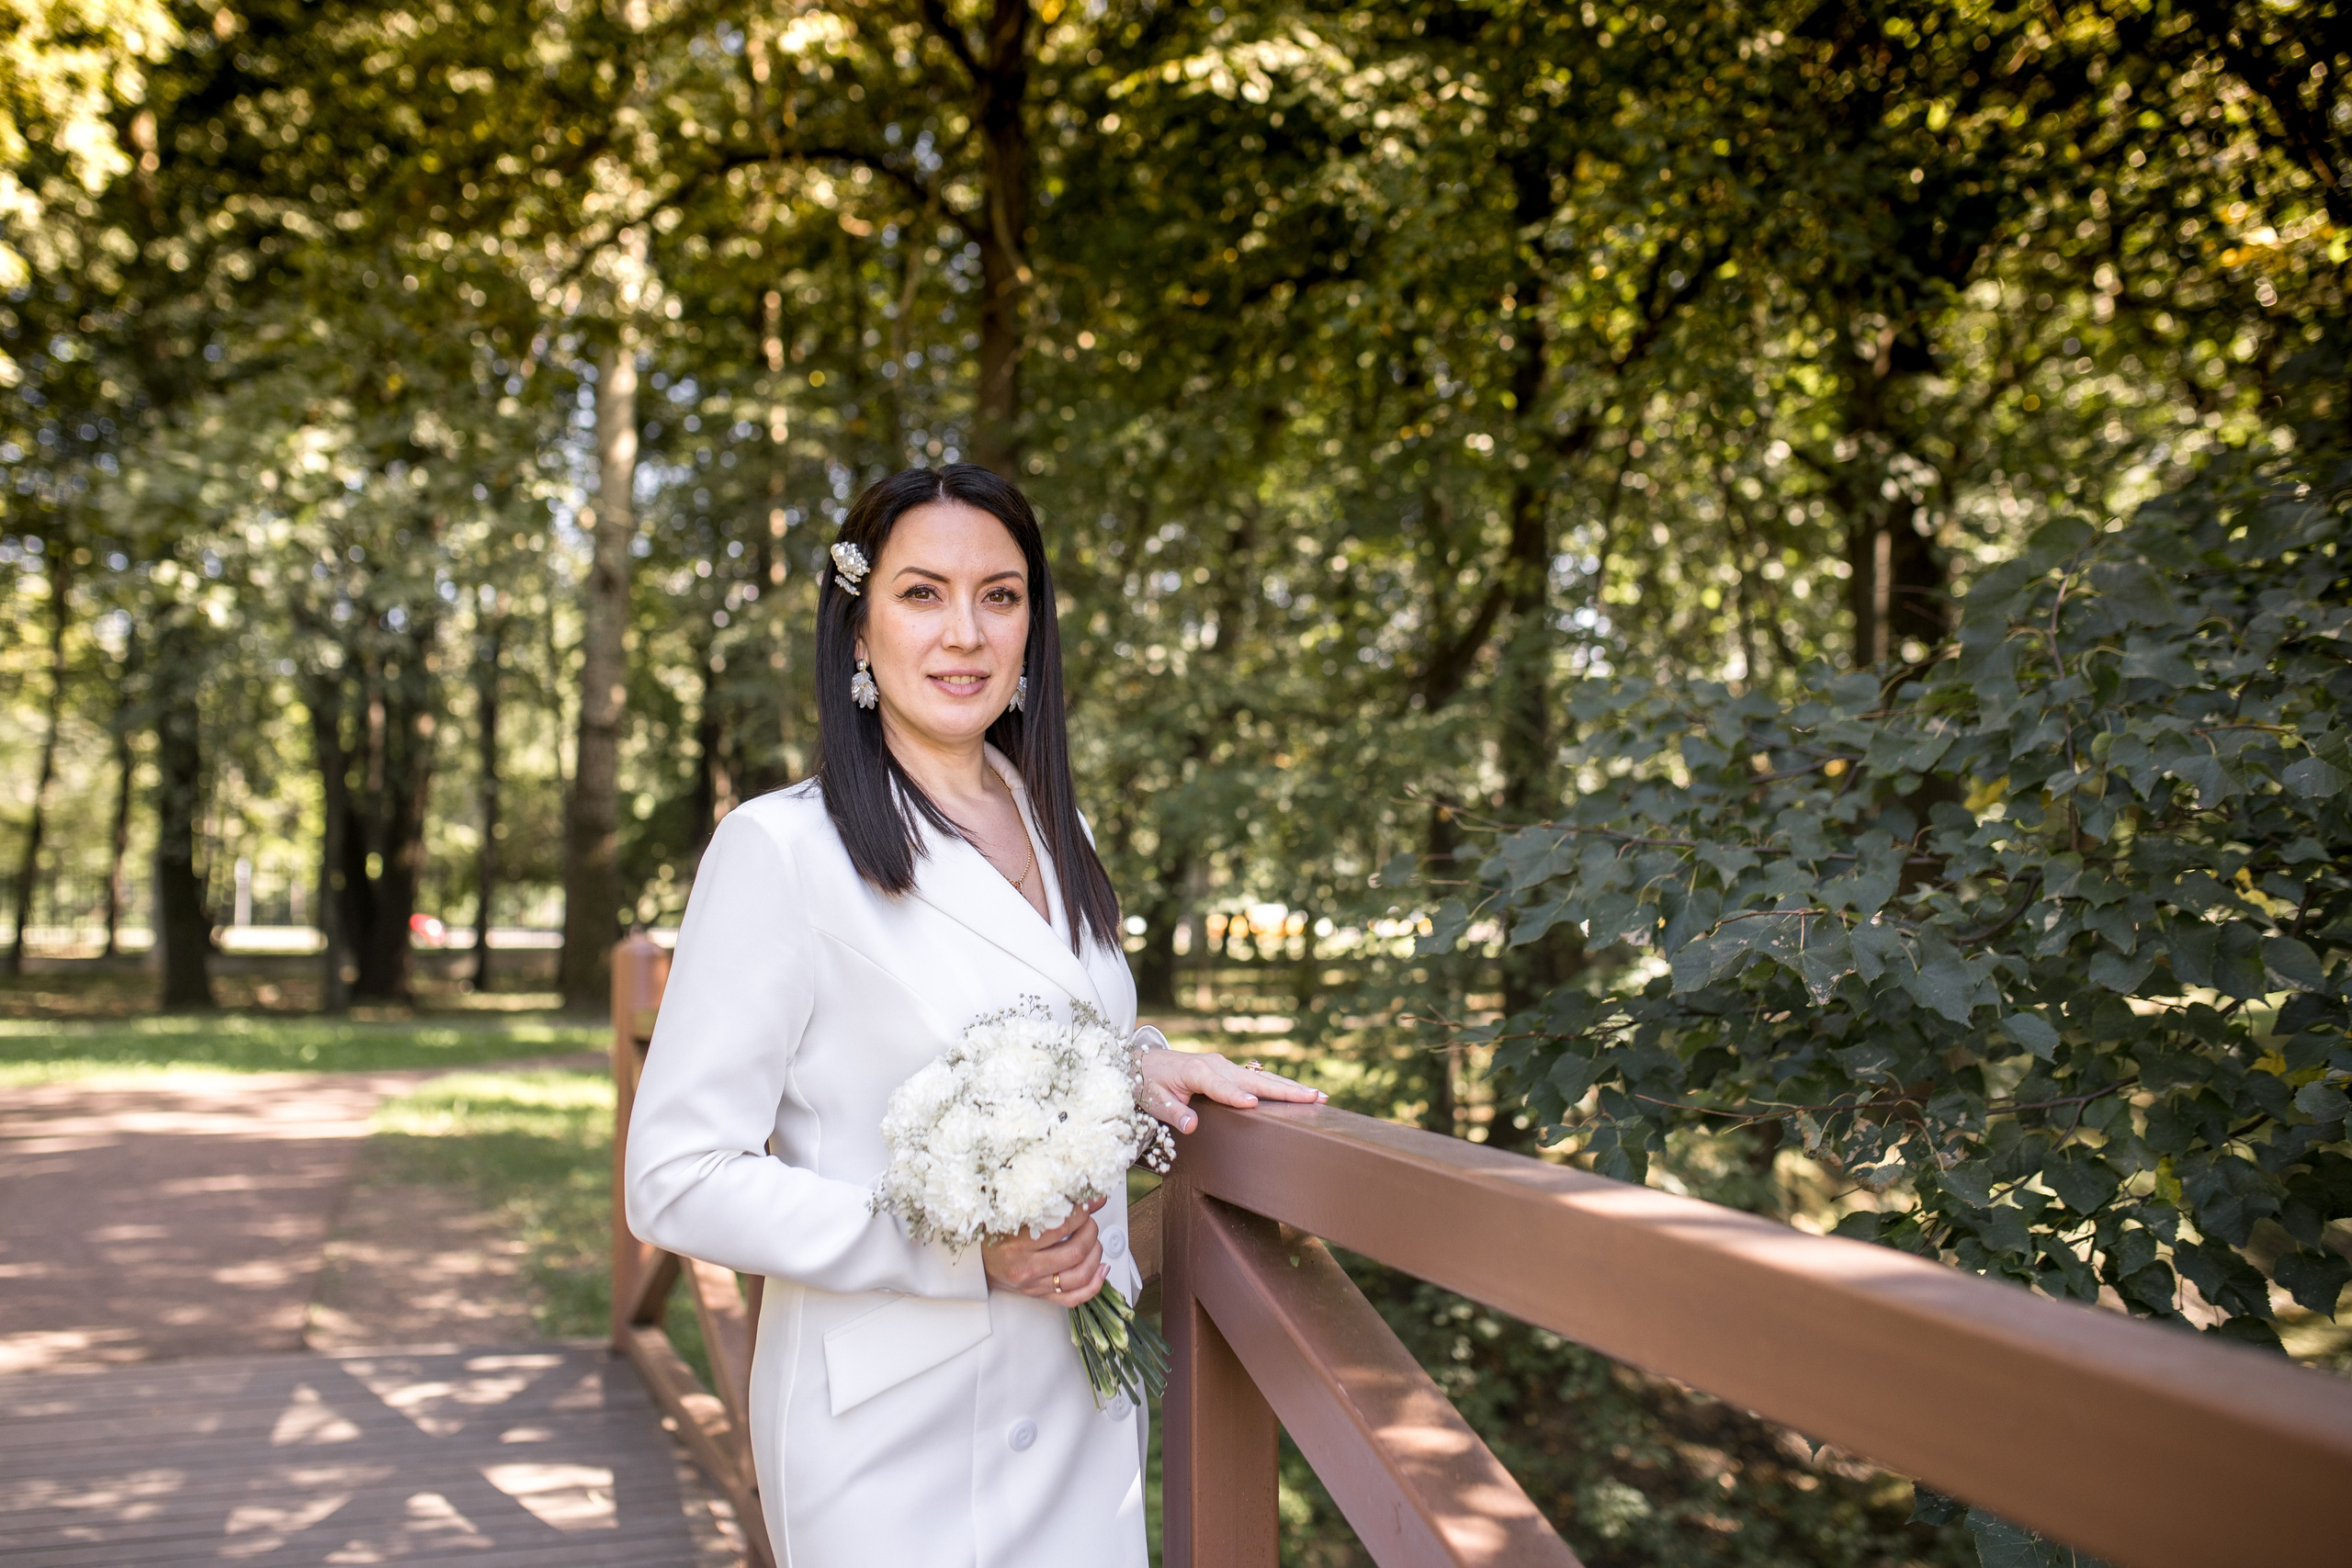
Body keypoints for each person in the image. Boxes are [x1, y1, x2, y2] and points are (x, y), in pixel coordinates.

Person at [624, 464, 1323, 1566]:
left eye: (999, 596)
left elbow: (1028, 1024)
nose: (964, 633)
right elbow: (673, 1177)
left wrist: (1140, 1065)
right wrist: (957, 1253)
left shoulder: (1050, 820)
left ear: (1032, 627)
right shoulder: (779, 849)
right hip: (895, 1428)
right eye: (920, 594)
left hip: (1079, 1398)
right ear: (856, 630)